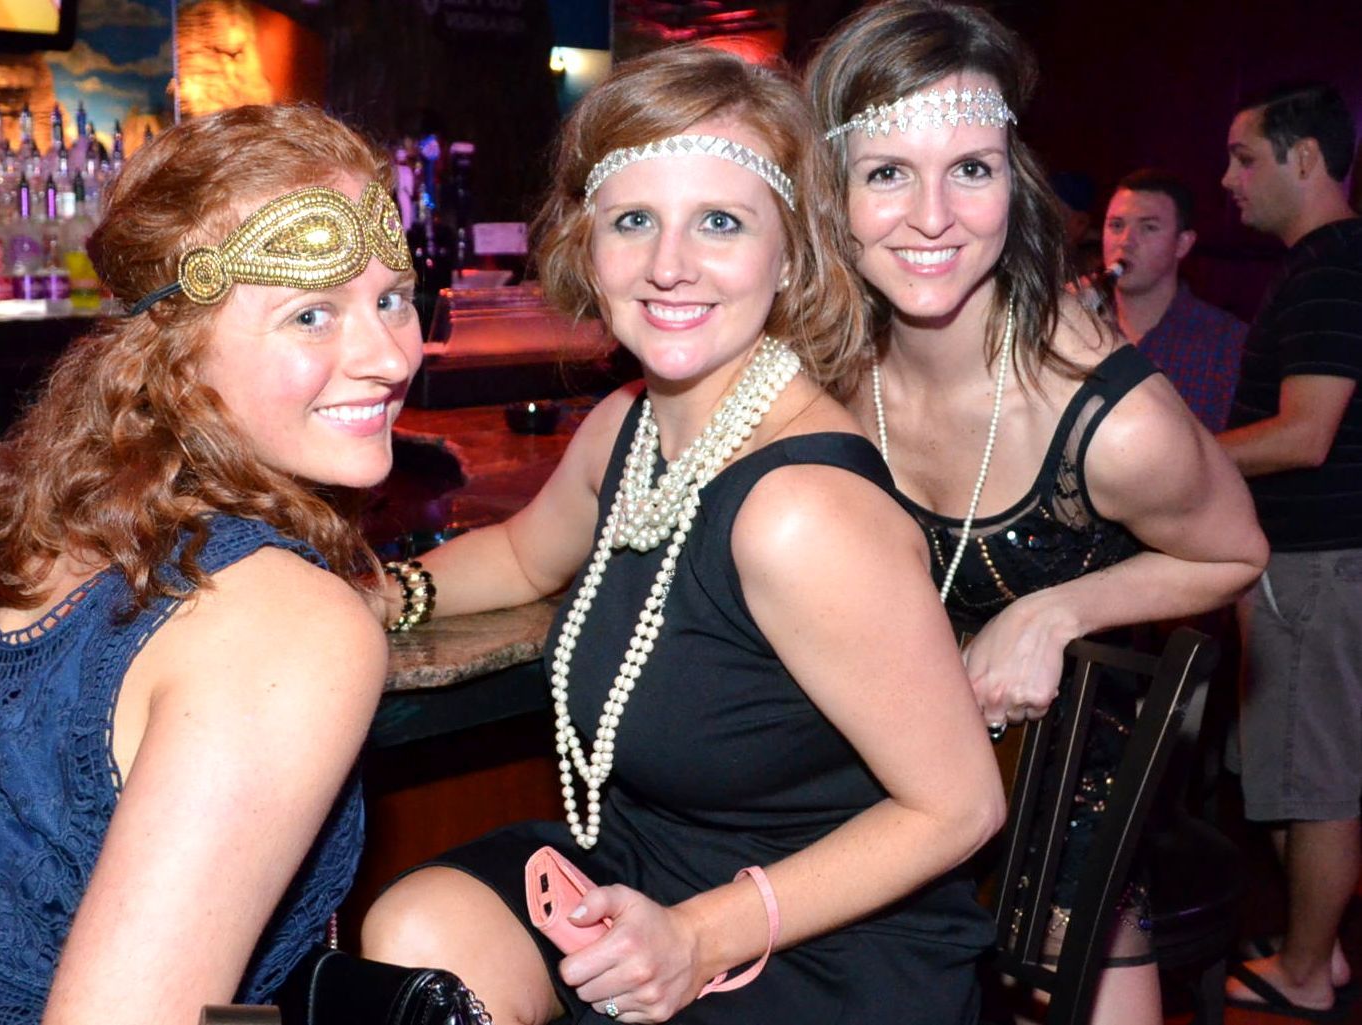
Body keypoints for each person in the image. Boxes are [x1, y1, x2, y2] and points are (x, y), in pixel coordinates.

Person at [362, 45, 1006, 1025]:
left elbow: (960, 807)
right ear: (588, 245)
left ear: (791, 253)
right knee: (417, 933)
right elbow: (527, 553)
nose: (669, 265)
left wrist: (699, 935)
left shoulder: (800, 511)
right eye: (633, 220)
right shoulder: (629, 423)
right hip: (643, 865)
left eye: (720, 221)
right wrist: (388, 592)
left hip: (821, 940)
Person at [0, 104, 422, 1024]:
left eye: (393, 297)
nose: (389, 355)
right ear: (177, 355)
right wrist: (328, 616)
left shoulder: (74, 519)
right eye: (311, 314)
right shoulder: (291, 628)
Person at [804, 3, 1268, 1024]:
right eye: (888, 172)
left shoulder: (1110, 418)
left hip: (1051, 803)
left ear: (1011, 182)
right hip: (858, 777)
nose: (933, 216)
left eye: (970, 168)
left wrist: (1051, 611)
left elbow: (1236, 551)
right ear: (831, 190)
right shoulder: (821, 364)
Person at [1217, 81, 1362, 1021]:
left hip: (1318, 562)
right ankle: (1319, 950)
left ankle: (1306, 972)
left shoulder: (1329, 268)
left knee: (1315, 782)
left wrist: (1181, 461)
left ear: (1303, 157)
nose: (1227, 179)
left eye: (1243, 158)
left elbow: (1305, 435)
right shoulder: (1326, 264)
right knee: (1287, 768)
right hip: (1309, 563)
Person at [1102, 169, 1247, 432]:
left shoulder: (1225, 341)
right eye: (1116, 226)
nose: (1126, 241)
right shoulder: (1080, 327)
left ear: (1182, 244)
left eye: (1148, 228)